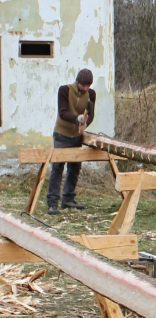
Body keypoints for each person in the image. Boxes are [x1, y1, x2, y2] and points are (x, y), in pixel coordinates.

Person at [48, 68, 96, 215]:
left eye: (88, 85)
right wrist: (77, 119)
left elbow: (91, 114)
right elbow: (63, 112)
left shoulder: (91, 94)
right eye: (83, 85)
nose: (86, 88)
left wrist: (85, 123)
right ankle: (52, 202)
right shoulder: (64, 90)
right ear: (78, 82)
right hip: (62, 134)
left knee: (74, 168)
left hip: (76, 136)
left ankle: (68, 199)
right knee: (57, 167)